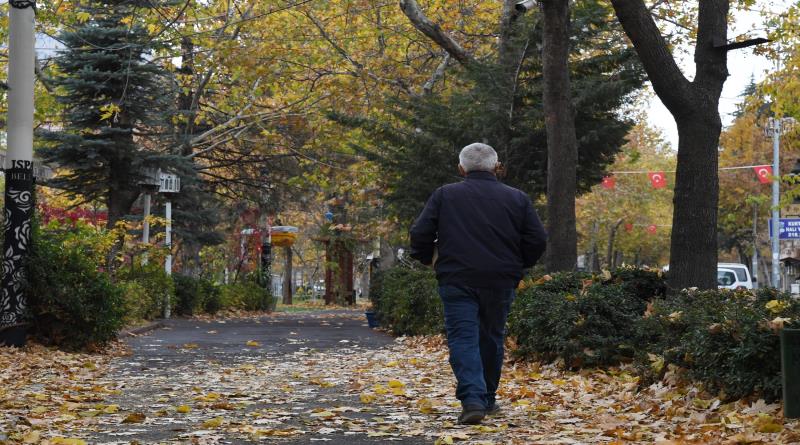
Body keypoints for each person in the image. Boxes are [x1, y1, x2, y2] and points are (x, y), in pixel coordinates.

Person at [409, 143, 547, 425]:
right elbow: (537, 239)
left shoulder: (445, 195)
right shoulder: (517, 198)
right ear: (496, 167)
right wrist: (519, 265)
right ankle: (487, 398)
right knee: (492, 337)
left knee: (463, 337)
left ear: (461, 169)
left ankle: (473, 399)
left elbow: (420, 232)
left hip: (457, 278)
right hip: (500, 279)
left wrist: (427, 259)